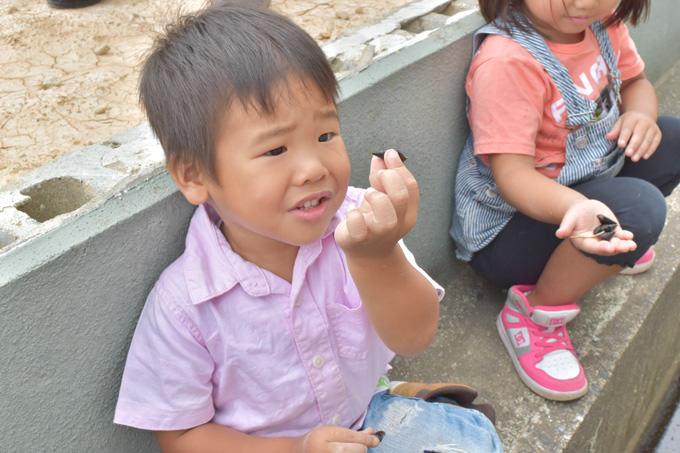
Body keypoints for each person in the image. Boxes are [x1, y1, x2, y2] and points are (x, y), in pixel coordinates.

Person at [114, 2, 503, 452]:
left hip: (362, 418)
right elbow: (182, 436)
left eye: (325, 136)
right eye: (275, 150)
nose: (313, 168)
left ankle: (392, 396)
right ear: (194, 176)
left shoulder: (359, 227)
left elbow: (415, 336)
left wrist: (379, 257)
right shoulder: (184, 306)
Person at [450, 0, 680, 402]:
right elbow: (514, 176)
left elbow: (635, 83)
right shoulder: (508, 62)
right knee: (641, 210)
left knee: (673, 138)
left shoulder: (603, 25)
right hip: (511, 229)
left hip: (588, 179)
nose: (584, 2)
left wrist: (641, 115)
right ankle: (535, 312)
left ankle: (607, 247)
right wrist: (575, 210)